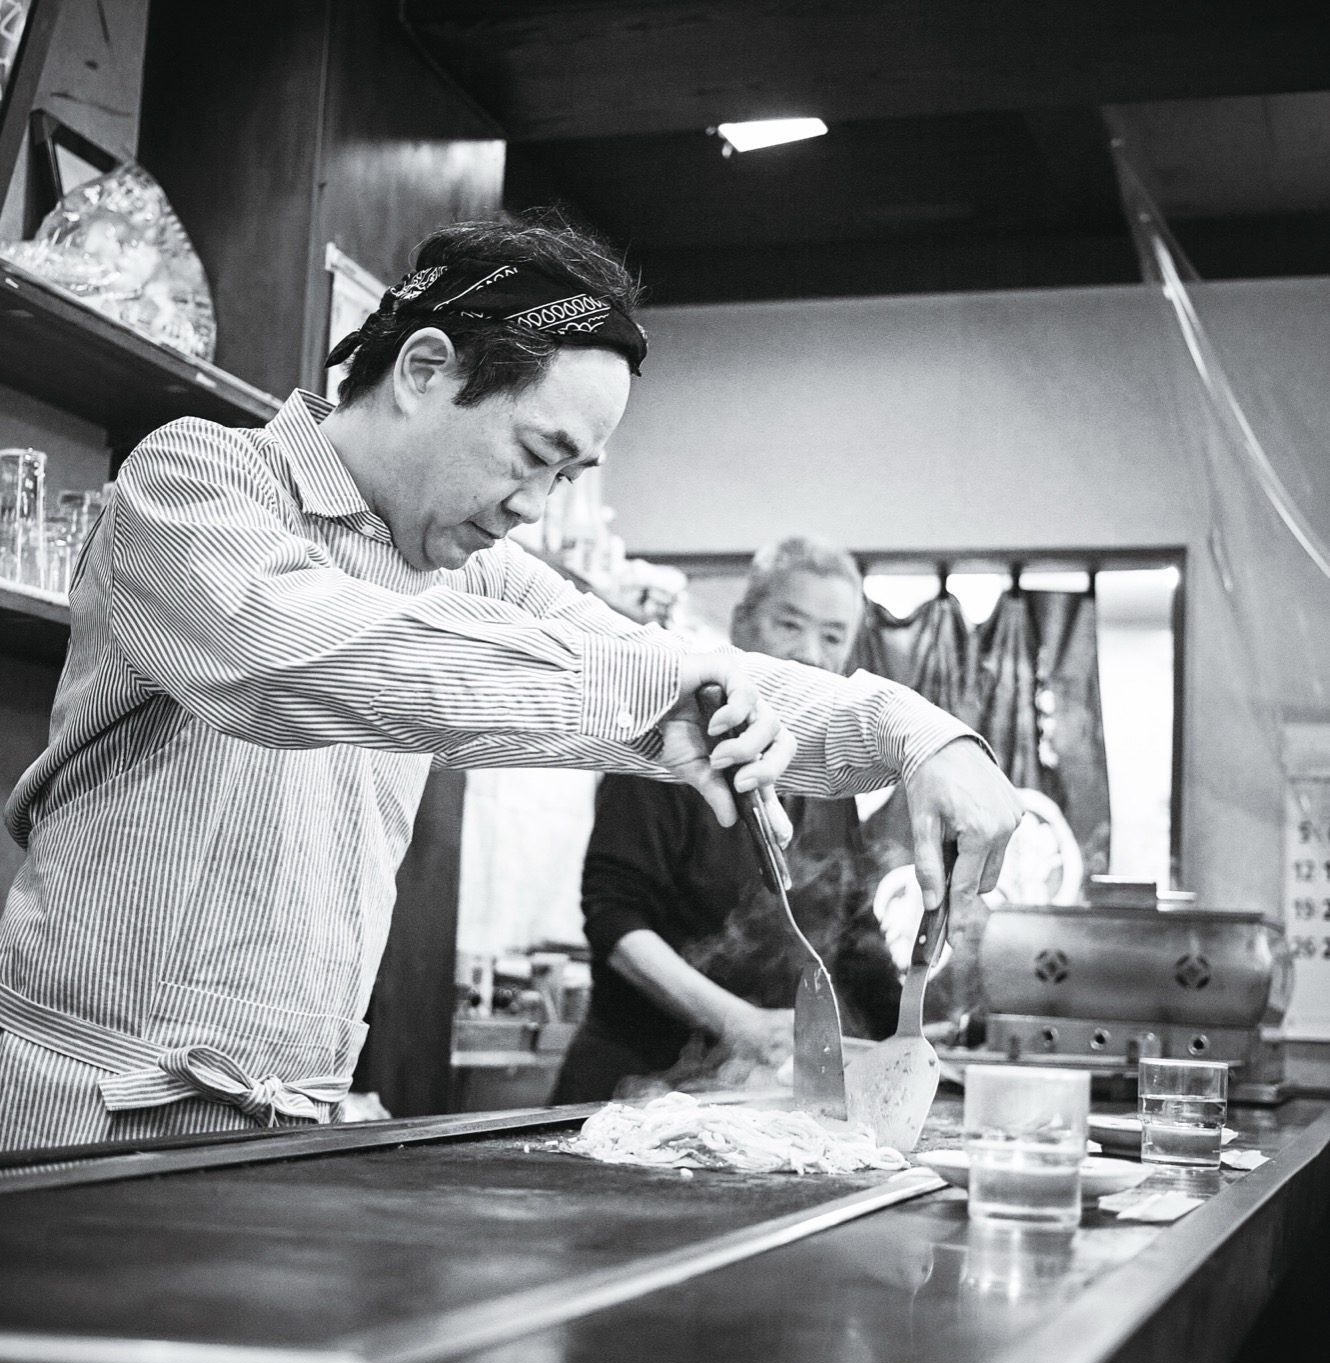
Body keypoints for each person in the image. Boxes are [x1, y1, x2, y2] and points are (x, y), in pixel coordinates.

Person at [0, 210, 1022, 1151]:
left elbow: (688, 675)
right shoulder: (194, 482)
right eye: (536, 453)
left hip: (289, 1121)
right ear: (423, 368)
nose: (535, 505)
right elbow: (303, 658)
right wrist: (639, 691)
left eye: (568, 477)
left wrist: (914, 732)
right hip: (84, 1108)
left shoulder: (473, 570)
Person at [553, 538, 905, 1102]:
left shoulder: (827, 782)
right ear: (742, 623)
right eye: (790, 624)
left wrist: (911, 1035)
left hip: (752, 1094)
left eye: (832, 636)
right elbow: (614, 920)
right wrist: (737, 1022)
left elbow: (857, 939)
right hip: (635, 1086)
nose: (810, 653)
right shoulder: (674, 743)